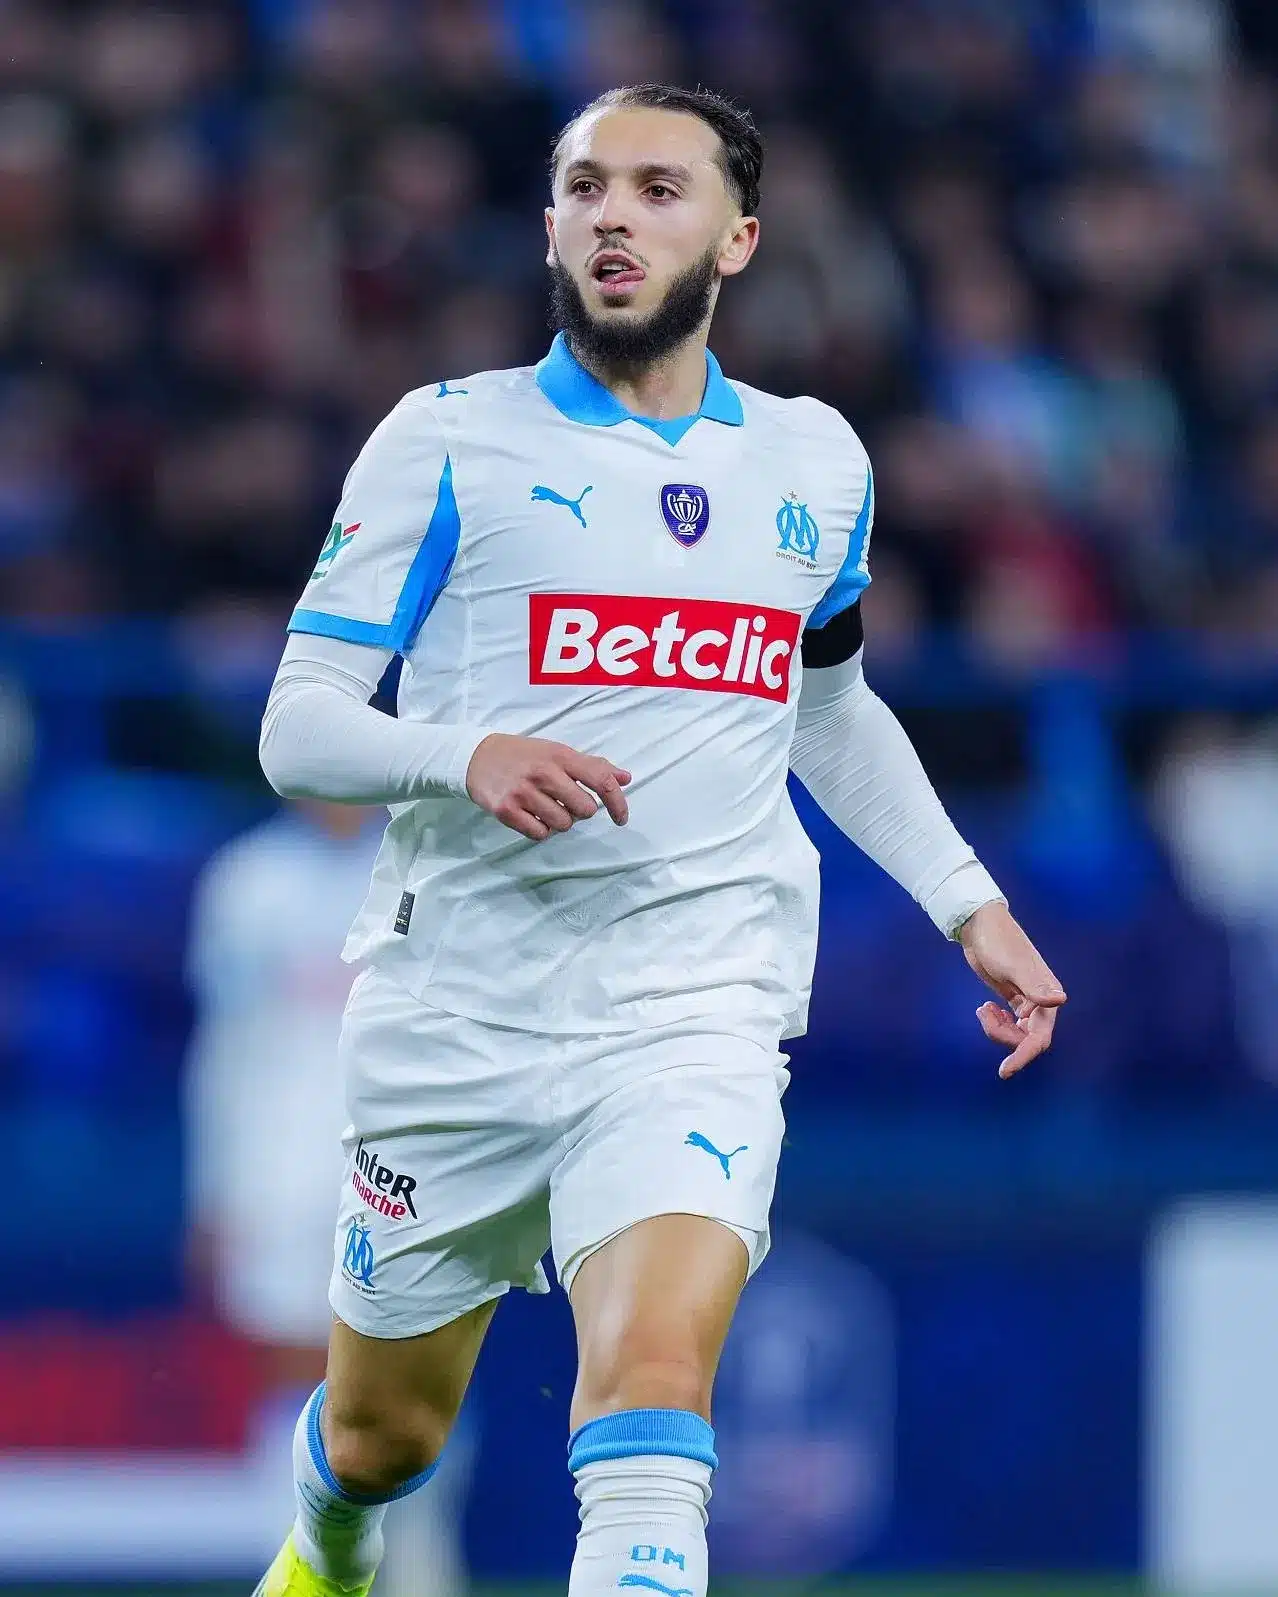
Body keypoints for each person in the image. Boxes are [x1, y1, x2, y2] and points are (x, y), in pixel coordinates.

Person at [254, 83, 1066, 1597]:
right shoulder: (445, 441)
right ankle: (326, 1552)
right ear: (548, 223)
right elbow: (294, 726)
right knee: (380, 1441)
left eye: (656, 187)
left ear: (737, 237)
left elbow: (824, 708)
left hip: (696, 998)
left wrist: (966, 899)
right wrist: (463, 753)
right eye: (584, 187)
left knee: (648, 1381)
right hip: (459, 1012)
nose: (614, 215)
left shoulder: (814, 464)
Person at [184, 797, 473, 1595]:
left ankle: (421, 1573)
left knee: (416, 1374)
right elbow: (223, 1043)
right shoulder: (248, 882)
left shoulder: (433, 861)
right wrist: (214, 1189)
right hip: (276, 1170)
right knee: (297, 1375)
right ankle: (312, 1573)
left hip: (410, 1162)